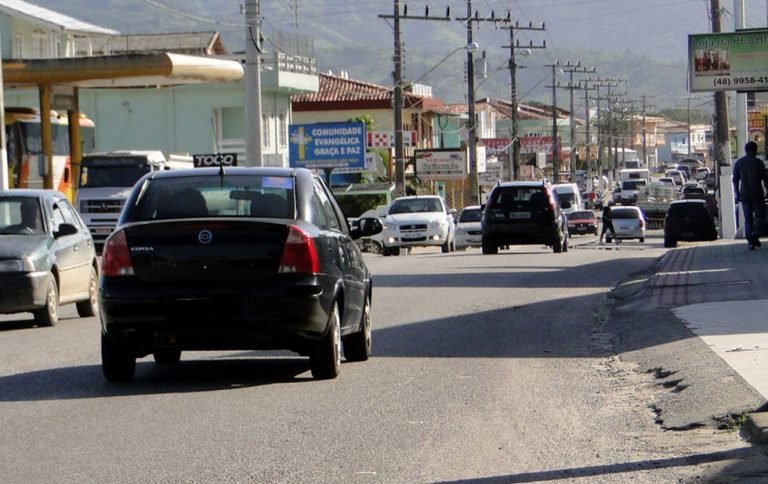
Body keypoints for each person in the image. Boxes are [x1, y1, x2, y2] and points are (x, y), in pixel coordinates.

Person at [732, 141, 768, 250]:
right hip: (757, 194)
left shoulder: (739, 163)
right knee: (760, 217)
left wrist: (737, 193)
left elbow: (735, 180)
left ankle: (751, 242)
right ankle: (754, 234)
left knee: (748, 219)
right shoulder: (758, 163)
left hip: (745, 194)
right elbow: (765, 179)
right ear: (755, 150)